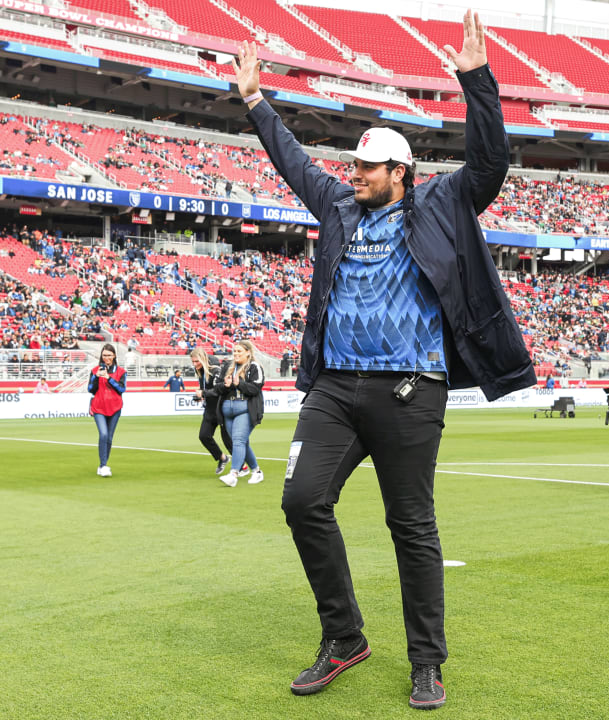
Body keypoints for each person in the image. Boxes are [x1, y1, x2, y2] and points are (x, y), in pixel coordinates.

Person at [234, 11, 535, 710]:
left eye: (368, 166)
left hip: (410, 387)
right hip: (335, 388)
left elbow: (491, 162)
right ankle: (345, 638)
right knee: (302, 499)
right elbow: (294, 163)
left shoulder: (441, 203)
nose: (355, 173)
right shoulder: (339, 207)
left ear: (400, 172)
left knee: (411, 525)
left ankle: (427, 662)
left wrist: (476, 81)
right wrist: (255, 100)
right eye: (356, 165)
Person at [215, 340, 265, 488]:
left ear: (248, 352)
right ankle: (256, 471)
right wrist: (226, 384)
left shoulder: (255, 367)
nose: (236, 354)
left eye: (239, 351)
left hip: (245, 408)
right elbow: (217, 387)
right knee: (241, 441)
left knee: (238, 440)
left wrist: (239, 384)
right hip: (227, 409)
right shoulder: (228, 366)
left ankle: (233, 474)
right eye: (234, 351)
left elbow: (255, 389)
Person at [190, 348, 233, 476]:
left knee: (228, 441)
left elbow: (218, 390)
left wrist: (204, 393)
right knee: (204, 436)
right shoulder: (199, 371)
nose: (194, 364)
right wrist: (201, 395)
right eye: (193, 362)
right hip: (209, 409)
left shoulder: (216, 371)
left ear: (203, 359)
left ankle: (243, 466)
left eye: (196, 361)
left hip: (220, 409)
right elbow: (205, 388)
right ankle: (222, 458)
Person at [88, 343, 126, 477]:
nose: (106, 358)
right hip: (98, 407)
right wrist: (96, 377)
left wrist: (109, 378)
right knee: (103, 434)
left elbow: (122, 389)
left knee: (109, 438)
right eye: (104, 355)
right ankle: (104, 466)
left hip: (115, 408)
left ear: (114, 355)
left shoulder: (121, 372)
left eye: (109, 355)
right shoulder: (94, 370)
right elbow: (90, 389)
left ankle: (102, 464)